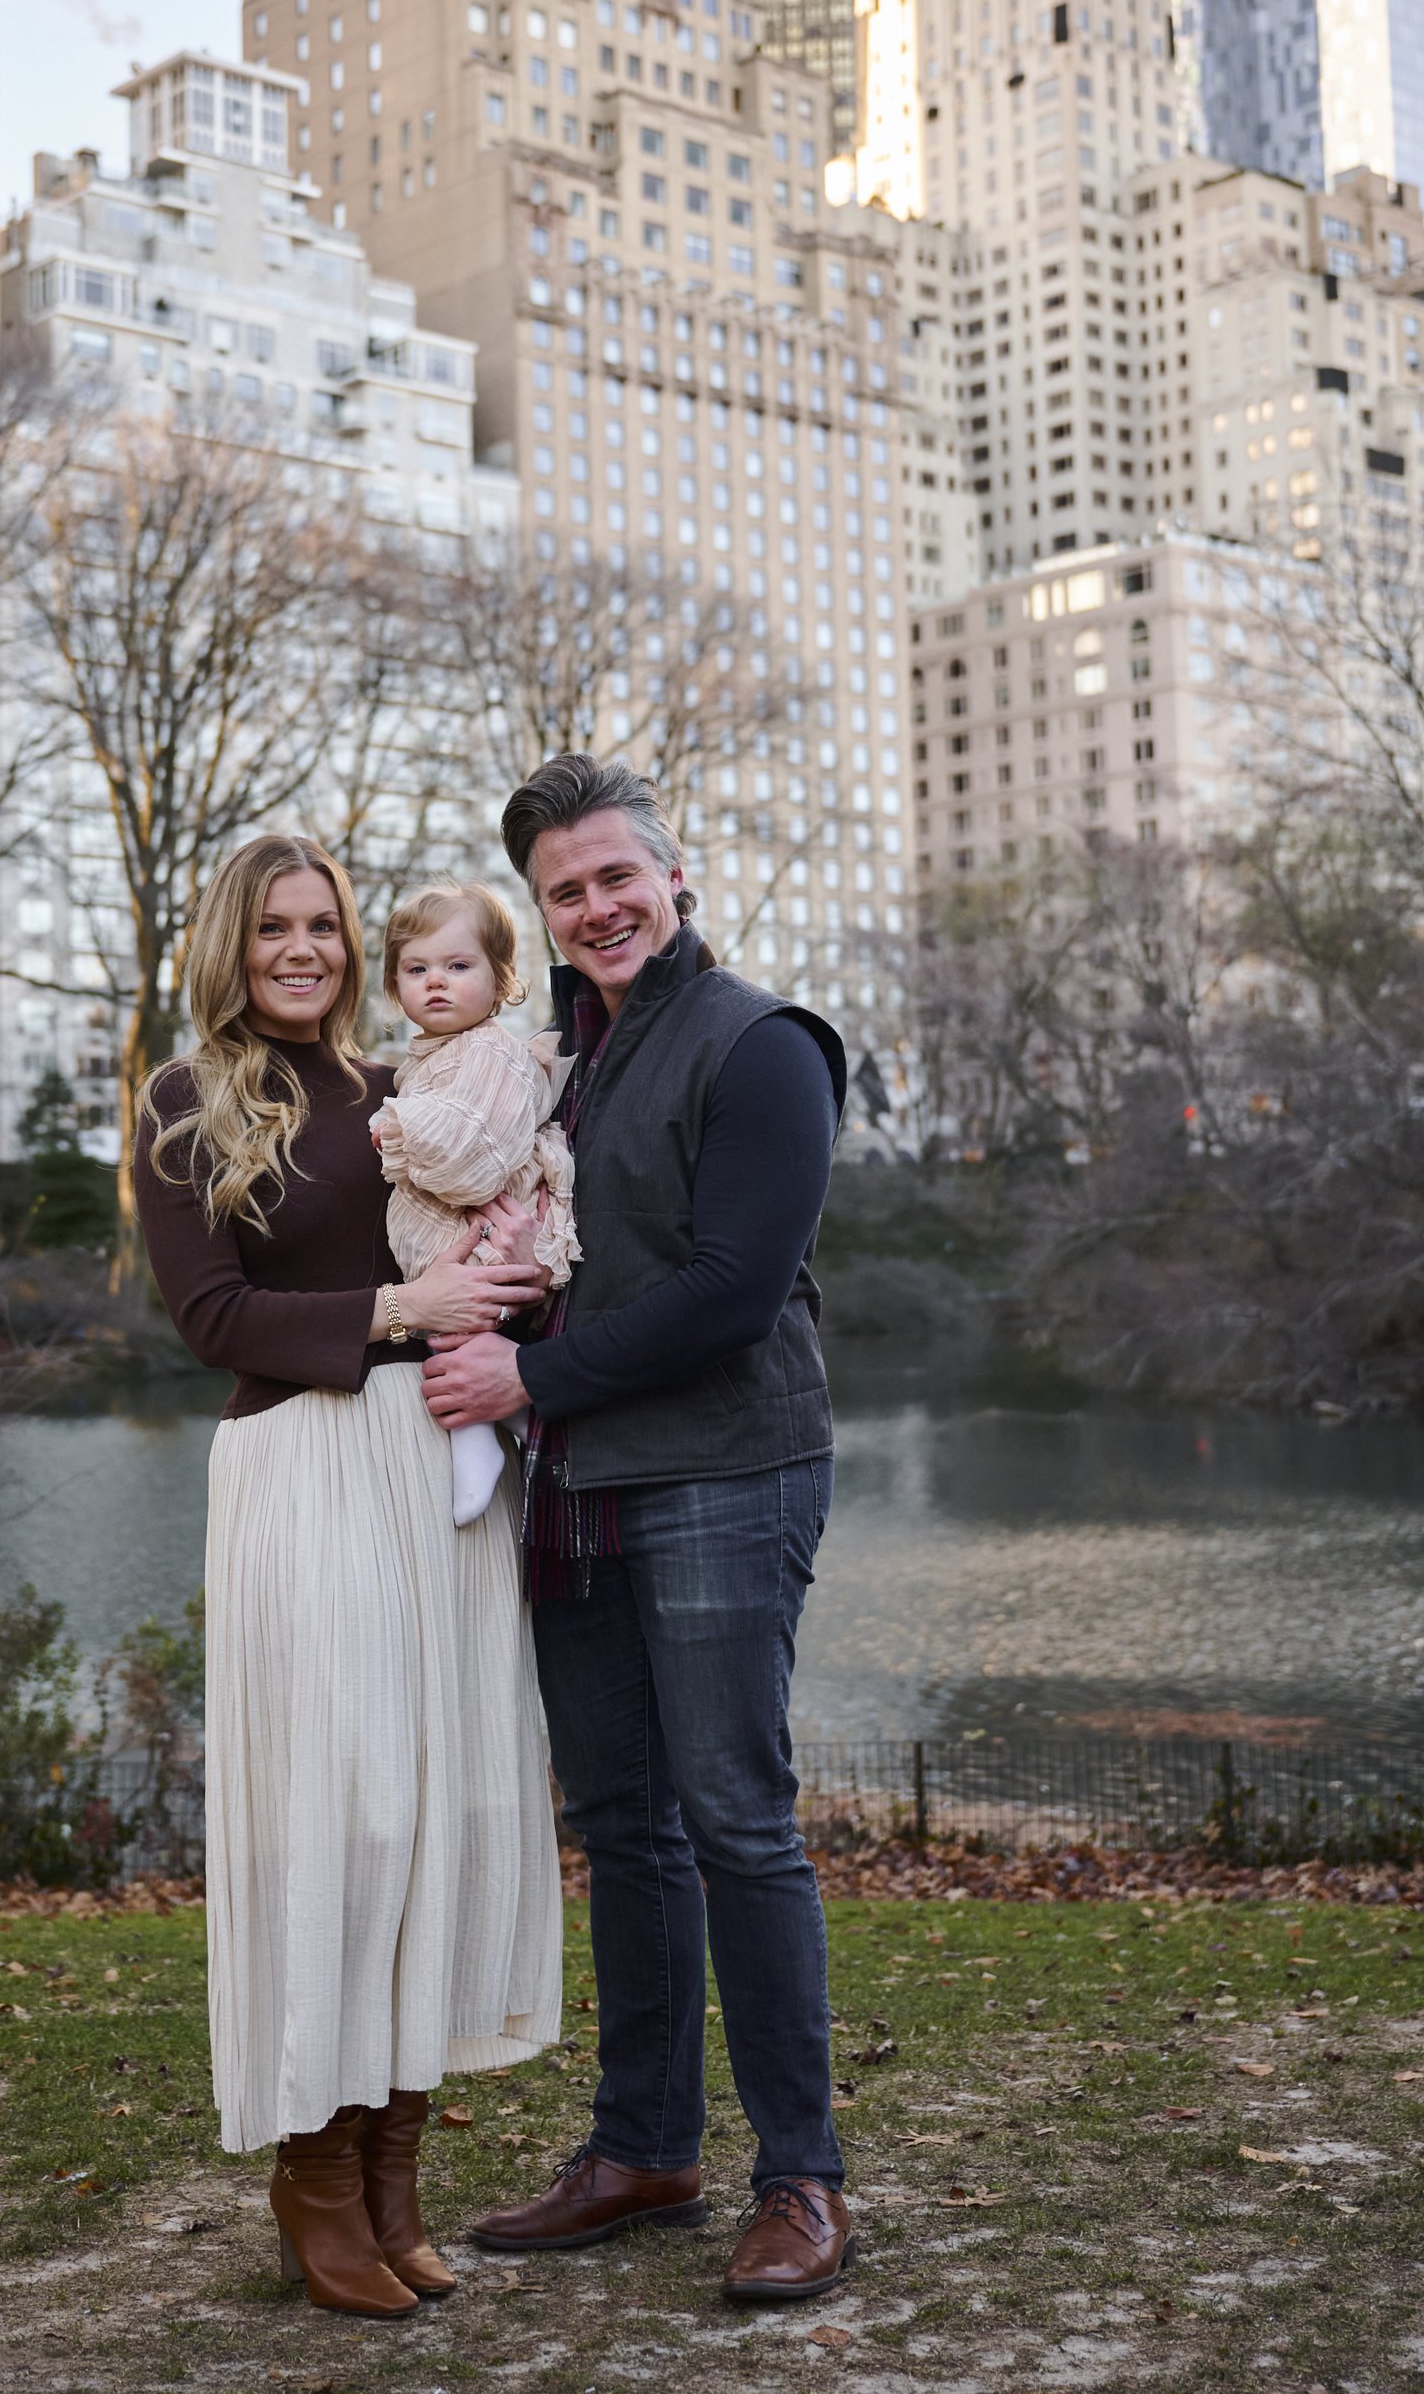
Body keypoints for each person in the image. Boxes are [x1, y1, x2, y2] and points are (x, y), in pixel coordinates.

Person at [422, 754, 854, 2304]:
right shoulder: (559, 1063)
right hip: (583, 1490)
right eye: (566, 890)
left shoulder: (764, 1044)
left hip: (727, 1472)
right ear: (542, 913)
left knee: (737, 1821)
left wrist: (527, 1378)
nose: (598, 906)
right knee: (626, 1828)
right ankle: (644, 2149)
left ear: (675, 879)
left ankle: (801, 2180)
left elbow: (734, 1291)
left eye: (618, 876)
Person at [133, 832, 562, 2320]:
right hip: (303, 1463)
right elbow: (212, 1317)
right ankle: (314, 2179)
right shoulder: (186, 1100)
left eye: (323, 925)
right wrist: (401, 1307)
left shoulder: (407, 1086)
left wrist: (512, 1283)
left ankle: (393, 2182)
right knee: (348, 1812)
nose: (304, 950)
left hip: (435, 1466)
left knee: (440, 1810)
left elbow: (497, 1224)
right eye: (275, 929)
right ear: (233, 947)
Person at [370, 880, 580, 1524]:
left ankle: (474, 1434)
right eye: (416, 969)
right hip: (460, 1230)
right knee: (448, 1312)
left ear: (501, 981)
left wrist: (400, 1126)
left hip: (485, 1224)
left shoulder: (488, 1051)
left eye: (458, 966)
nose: (436, 981)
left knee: (458, 1315)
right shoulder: (435, 1054)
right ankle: (500, 1419)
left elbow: (472, 1160)